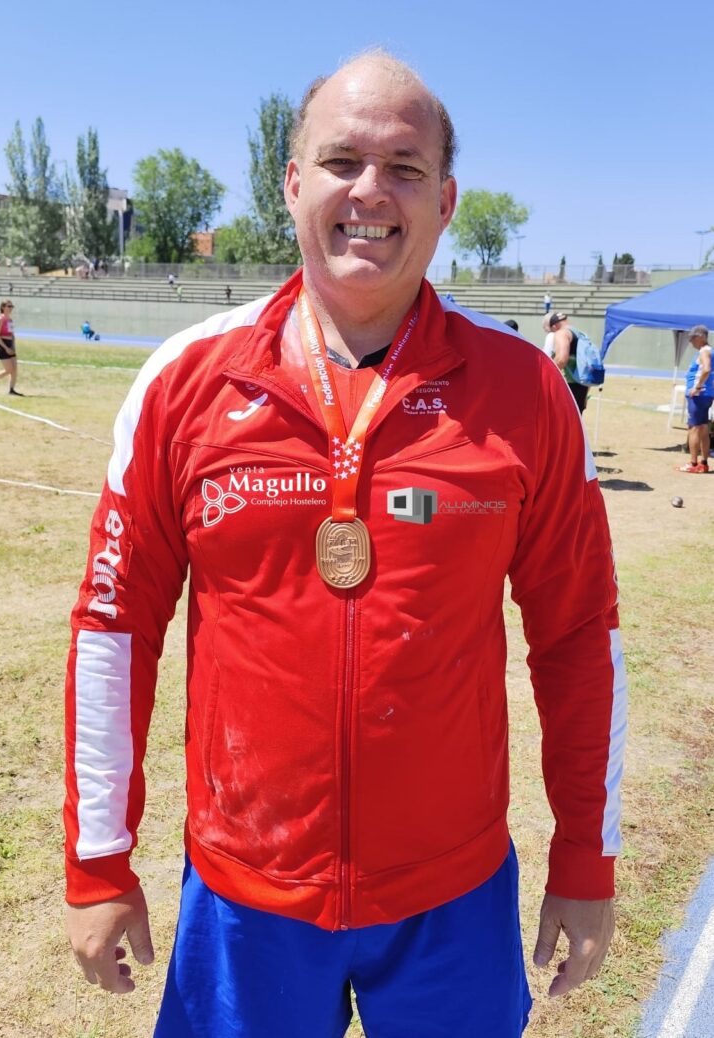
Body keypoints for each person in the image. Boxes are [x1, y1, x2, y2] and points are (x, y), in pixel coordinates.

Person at [64, 52, 626, 1038]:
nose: (371, 191)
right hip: (247, 899)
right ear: (292, 186)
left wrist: (586, 859)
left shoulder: (526, 395)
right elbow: (116, 624)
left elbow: (578, 635)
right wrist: (98, 863)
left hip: (452, 898)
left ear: (447, 201)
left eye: (405, 167)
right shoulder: (184, 382)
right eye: (341, 161)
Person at [678, 324, 713, 473]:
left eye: (693, 338)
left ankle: (693, 463)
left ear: (701, 337)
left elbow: (706, 369)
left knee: (693, 429)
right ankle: (703, 462)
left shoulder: (704, 351)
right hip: (706, 394)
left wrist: (697, 386)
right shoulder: (709, 351)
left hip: (698, 395)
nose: (691, 341)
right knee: (703, 428)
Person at [549, 311, 589, 412]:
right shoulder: (581, 334)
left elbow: (561, 359)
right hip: (582, 385)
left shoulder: (561, 333)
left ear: (554, 326)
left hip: (567, 385)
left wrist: (547, 375)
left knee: (560, 424)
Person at [0, 299, 24, 396]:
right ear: (3, 307)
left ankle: (11, 389)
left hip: (9, 344)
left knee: (15, 368)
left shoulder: (10, 319)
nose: (11, 308)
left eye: (12, 306)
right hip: (1, 345)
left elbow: (12, 334)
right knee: (9, 369)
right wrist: (6, 348)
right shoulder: (0, 319)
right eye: (9, 306)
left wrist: (13, 346)